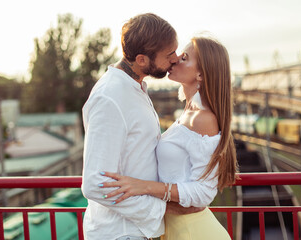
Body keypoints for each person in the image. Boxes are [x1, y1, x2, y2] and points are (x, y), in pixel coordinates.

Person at [99, 36, 238, 240]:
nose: (174, 60)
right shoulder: (188, 113)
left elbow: (204, 192)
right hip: (175, 228)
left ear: (200, 74)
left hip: (194, 232)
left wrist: (144, 186)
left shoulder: (203, 119)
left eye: (184, 58)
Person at [81, 13, 201, 240]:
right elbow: (95, 184)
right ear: (142, 60)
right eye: (169, 55)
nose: (175, 59)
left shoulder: (133, 87)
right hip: (120, 233)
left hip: (135, 230)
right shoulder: (110, 97)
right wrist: (163, 209)